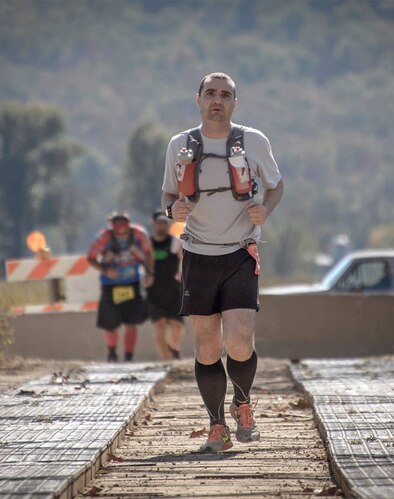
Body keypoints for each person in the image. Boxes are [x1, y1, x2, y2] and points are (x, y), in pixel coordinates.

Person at [161, 72, 284, 452]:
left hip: (240, 252)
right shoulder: (180, 145)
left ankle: (242, 402)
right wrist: (173, 209)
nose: (218, 100)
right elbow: (168, 196)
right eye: (211, 93)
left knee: (240, 342)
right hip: (198, 253)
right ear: (197, 99)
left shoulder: (254, 141)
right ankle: (217, 425)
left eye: (225, 94)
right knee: (207, 348)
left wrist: (265, 208)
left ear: (235, 102)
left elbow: (276, 185)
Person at [86, 212, 153, 362]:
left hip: (132, 283)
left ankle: (129, 356)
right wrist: (105, 270)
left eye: (123, 223)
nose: (121, 229)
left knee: (132, 322)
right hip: (110, 284)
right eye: (117, 224)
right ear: (111, 225)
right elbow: (90, 257)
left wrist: (149, 272)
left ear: (129, 224)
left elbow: (148, 252)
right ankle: (112, 352)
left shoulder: (139, 234)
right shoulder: (104, 237)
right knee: (109, 323)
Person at [146, 211, 185, 360]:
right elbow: (142, 262)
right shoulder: (148, 245)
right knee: (159, 326)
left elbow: (184, 258)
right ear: (153, 223)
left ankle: (173, 350)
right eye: (159, 223)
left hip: (173, 289)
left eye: (165, 223)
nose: (162, 226)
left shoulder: (175, 242)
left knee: (176, 326)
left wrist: (182, 274)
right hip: (154, 290)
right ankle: (165, 361)